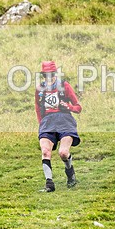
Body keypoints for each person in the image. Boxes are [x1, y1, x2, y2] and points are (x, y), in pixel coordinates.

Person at [36, 61, 82, 192]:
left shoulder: (64, 86)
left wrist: (67, 107)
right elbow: (37, 107)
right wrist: (41, 123)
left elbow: (78, 107)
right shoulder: (40, 89)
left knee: (63, 153)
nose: (49, 78)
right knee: (45, 151)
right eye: (46, 75)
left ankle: (70, 172)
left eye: (51, 74)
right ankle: (49, 184)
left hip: (65, 121)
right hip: (47, 123)